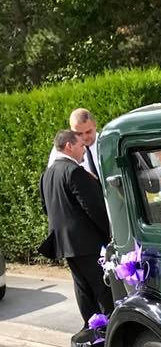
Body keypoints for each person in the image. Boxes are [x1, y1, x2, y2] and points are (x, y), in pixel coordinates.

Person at [39, 130, 113, 327]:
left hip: (65, 244)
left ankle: (92, 326)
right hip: (87, 242)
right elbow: (94, 209)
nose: (84, 150)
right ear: (69, 146)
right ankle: (109, 328)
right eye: (81, 146)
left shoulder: (47, 175)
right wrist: (111, 235)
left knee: (82, 287)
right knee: (102, 285)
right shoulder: (74, 171)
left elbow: (46, 207)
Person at [47, 108, 100, 181]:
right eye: (79, 134)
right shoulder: (62, 150)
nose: (85, 137)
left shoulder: (107, 142)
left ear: (95, 125)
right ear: (71, 130)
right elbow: (55, 178)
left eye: (88, 132)